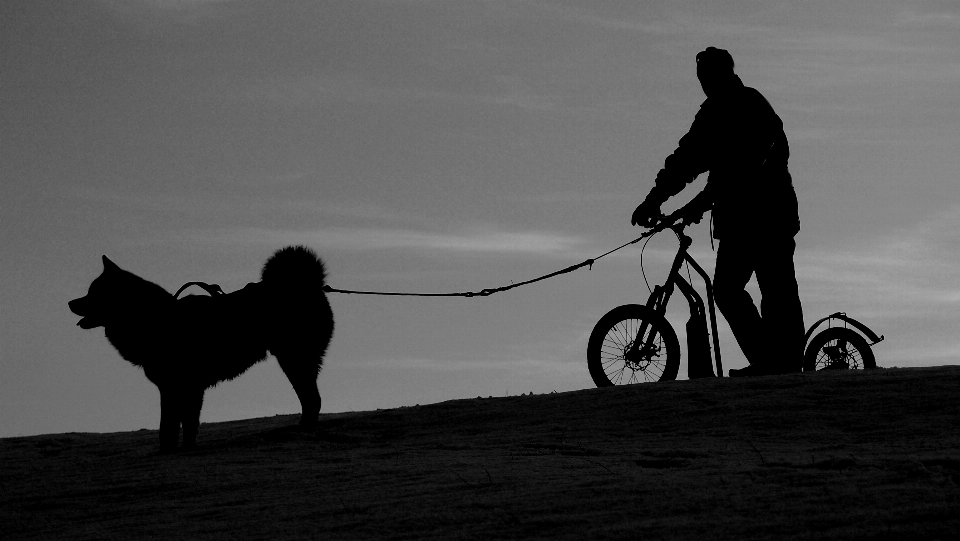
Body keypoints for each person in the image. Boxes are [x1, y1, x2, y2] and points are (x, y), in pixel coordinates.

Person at [631, 47, 804, 377]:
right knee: (727, 289)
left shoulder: (752, 105)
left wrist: (703, 200)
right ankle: (771, 362)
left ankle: (785, 366)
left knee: (776, 290)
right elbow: (686, 160)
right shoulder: (710, 115)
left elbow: (750, 164)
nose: (704, 83)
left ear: (724, 73)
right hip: (737, 219)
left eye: (708, 76)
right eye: (700, 78)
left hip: (770, 216)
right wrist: (654, 200)